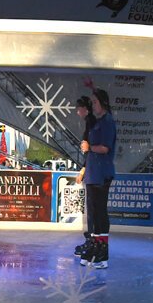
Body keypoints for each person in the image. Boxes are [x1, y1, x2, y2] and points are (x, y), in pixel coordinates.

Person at [79, 90, 117, 269]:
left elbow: (105, 148)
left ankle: (103, 251)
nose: (93, 105)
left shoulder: (108, 121)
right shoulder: (97, 121)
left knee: (100, 213)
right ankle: (96, 247)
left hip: (102, 174)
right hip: (93, 173)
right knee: (93, 213)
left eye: (95, 102)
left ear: (102, 102)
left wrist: (89, 147)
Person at [72, 97, 96, 257]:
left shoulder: (92, 123)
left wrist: (83, 169)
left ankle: (93, 242)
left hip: (94, 172)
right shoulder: (91, 122)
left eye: (79, 108)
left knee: (94, 209)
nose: (77, 112)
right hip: (92, 170)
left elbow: (91, 150)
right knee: (92, 209)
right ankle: (92, 240)